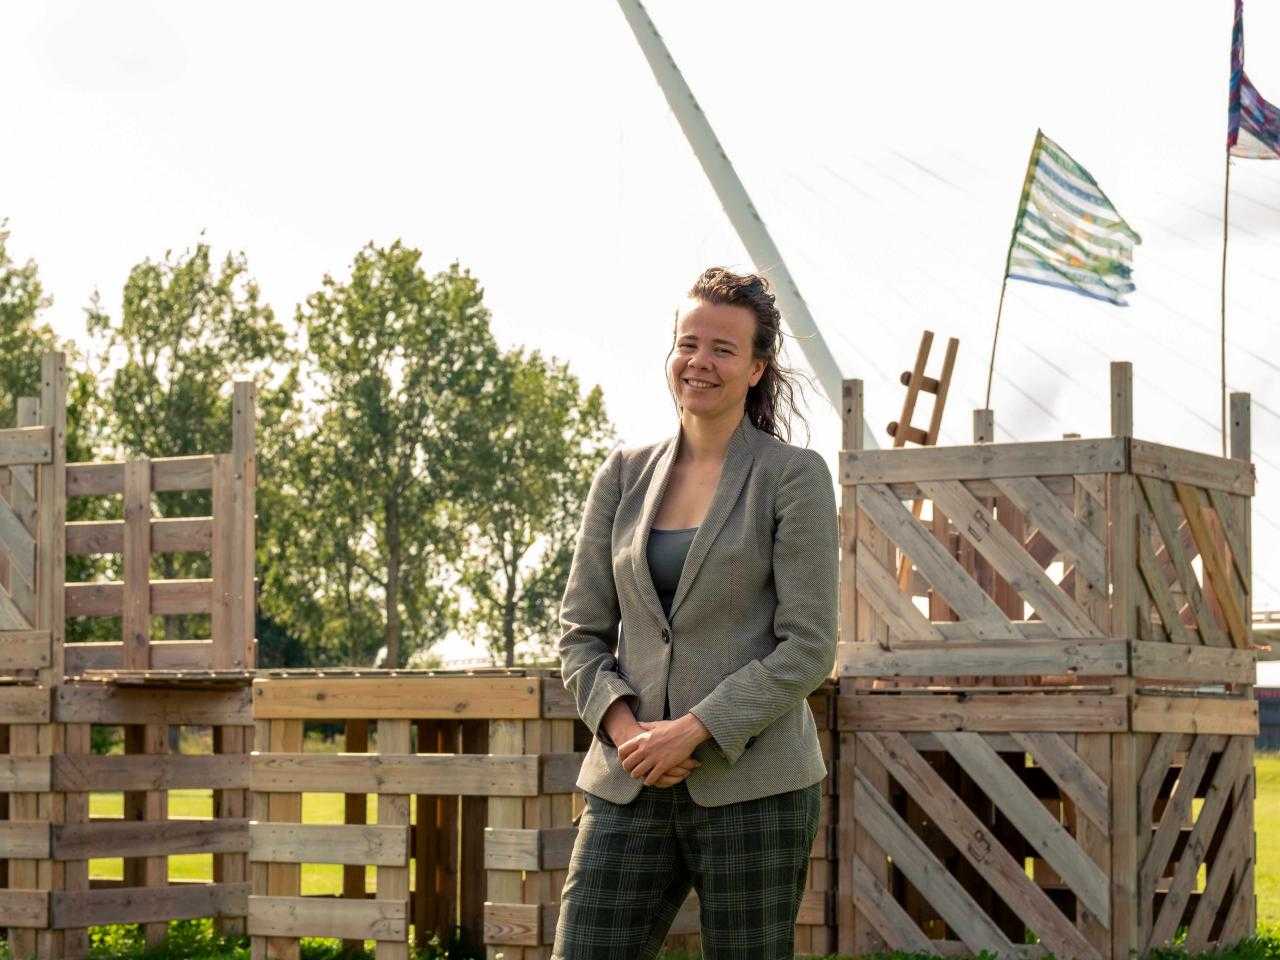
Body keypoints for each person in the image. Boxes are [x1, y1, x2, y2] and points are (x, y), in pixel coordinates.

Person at [552, 267, 839, 960]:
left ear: (756, 368)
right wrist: (628, 735)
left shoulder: (792, 476)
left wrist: (693, 731)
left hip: (757, 788)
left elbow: (807, 647)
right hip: (629, 780)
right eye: (688, 343)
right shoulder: (621, 474)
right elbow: (580, 635)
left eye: (722, 349)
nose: (699, 362)